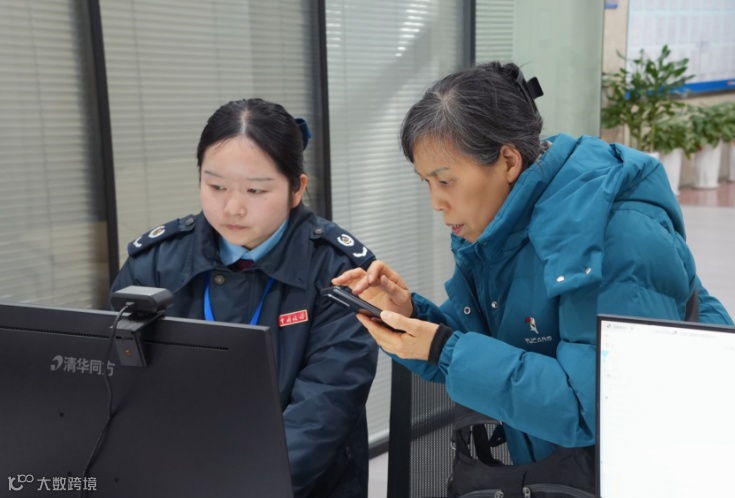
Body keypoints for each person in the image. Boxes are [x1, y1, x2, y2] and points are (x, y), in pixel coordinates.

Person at [333, 62, 733, 492]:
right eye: (426, 182)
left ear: (508, 161)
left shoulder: (614, 237)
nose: (436, 202)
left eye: (445, 180)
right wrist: (411, 316)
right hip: (556, 475)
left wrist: (444, 349)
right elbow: (486, 344)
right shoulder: (502, 229)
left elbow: (595, 410)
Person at [110, 98, 378, 498]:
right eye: (216, 186)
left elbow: (324, 408)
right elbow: (116, 383)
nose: (232, 207)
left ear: (296, 189)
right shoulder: (155, 262)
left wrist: (239, 486)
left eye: (255, 190)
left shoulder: (339, 271)